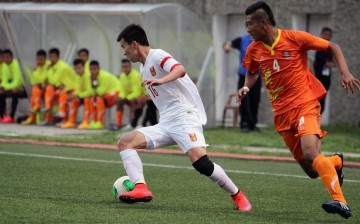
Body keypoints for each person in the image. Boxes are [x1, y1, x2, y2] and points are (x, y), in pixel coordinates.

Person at [237, 1, 360, 219]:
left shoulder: (294, 38)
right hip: (282, 115)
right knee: (312, 170)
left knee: (312, 152)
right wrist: (246, 86)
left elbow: (334, 47)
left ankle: (340, 202)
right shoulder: (254, 49)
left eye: (249, 24)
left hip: (305, 104)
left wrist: (345, 72)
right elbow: (253, 72)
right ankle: (336, 161)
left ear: (262, 22)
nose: (247, 30)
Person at [115, 24, 252, 212]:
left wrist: (161, 80)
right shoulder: (143, 69)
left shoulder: (158, 55)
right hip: (166, 122)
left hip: (185, 117)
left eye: (124, 47)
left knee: (201, 163)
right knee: (125, 142)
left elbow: (180, 69)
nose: (124, 53)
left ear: (134, 44)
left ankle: (238, 195)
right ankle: (140, 188)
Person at [223, 34, 261, 132]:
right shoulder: (242, 40)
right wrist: (227, 47)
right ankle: (244, 124)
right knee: (243, 99)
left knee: (255, 100)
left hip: (256, 76)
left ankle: (253, 124)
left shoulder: (262, 40)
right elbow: (228, 43)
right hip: (244, 75)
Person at [60, 58, 94, 129]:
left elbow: (90, 91)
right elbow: (77, 89)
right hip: (82, 96)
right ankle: (71, 122)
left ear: (83, 67)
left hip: (91, 97)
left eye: (79, 68)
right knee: (74, 100)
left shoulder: (88, 76)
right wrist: (74, 94)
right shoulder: (77, 76)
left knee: (86, 99)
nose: (77, 70)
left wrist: (78, 95)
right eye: (76, 68)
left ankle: (86, 122)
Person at [308, 27, 336, 114]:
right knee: (315, 100)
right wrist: (314, 77)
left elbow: (335, 63)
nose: (327, 37)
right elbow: (311, 63)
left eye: (329, 35)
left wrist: (330, 65)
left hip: (326, 79)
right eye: (325, 35)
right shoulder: (315, 47)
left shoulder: (331, 49)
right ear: (321, 35)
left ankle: (318, 120)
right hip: (316, 78)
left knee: (322, 101)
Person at [88, 60, 121, 129]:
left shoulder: (105, 76)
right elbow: (91, 92)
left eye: (94, 69)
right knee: (92, 99)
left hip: (116, 92)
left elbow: (100, 92)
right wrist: (92, 81)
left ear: (99, 68)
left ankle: (100, 122)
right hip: (107, 94)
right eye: (91, 69)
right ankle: (94, 121)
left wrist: (93, 82)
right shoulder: (93, 77)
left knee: (99, 99)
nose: (92, 71)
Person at [21, 50, 50, 125]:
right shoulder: (37, 66)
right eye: (38, 59)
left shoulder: (48, 65)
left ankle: (35, 113)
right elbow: (34, 80)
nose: (39, 61)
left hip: (47, 87)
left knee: (35, 91)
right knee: (33, 94)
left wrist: (38, 83)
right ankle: (33, 117)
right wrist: (35, 70)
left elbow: (45, 78)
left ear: (45, 58)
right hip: (40, 88)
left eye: (41, 59)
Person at [116, 59, 144, 130]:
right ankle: (118, 124)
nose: (125, 69)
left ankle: (133, 123)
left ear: (130, 67)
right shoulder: (122, 76)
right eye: (123, 67)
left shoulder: (135, 75)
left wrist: (127, 98)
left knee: (133, 101)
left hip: (141, 95)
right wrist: (122, 97)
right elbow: (121, 89)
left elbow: (137, 92)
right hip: (129, 96)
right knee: (119, 101)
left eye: (126, 67)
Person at [0, 49, 25, 123]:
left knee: (15, 92)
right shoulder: (4, 65)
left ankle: (11, 116)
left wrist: (4, 87)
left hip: (24, 87)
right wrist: (3, 87)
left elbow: (17, 83)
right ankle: (1, 116)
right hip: (12, 87)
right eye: (4, 57)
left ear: (12, 57)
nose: (5, 59)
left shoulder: (16, 65)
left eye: (7, 57)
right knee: (1, 93)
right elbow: (4, 80)